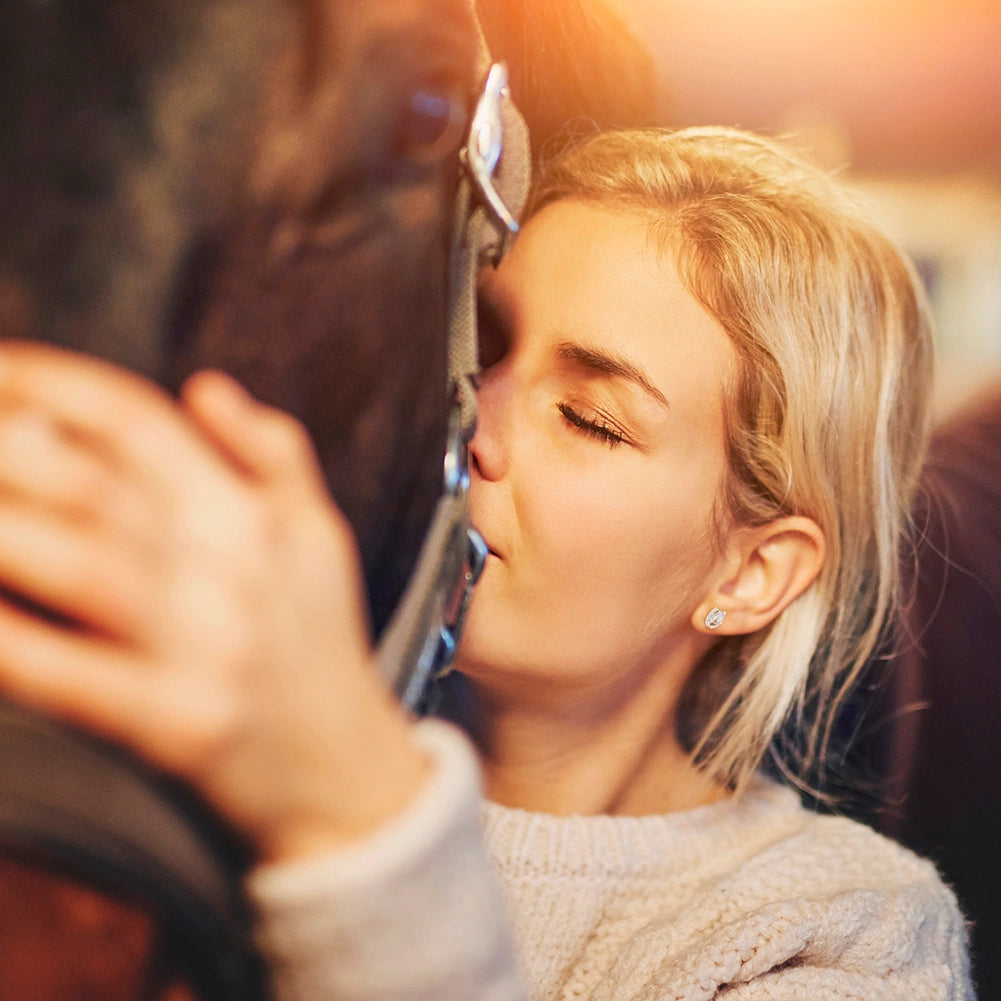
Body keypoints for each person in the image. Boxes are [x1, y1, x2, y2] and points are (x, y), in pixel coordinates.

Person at [0, 126, 973, 999]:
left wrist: (351, 811)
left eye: (590, 418)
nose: (473, 426)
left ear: (748, 572)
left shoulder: (840, 932)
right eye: (484, 351)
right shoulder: (230, 739)